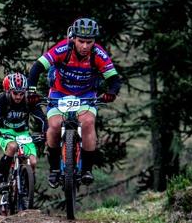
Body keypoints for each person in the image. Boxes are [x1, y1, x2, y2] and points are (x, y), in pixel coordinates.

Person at [28, 17, 122, 188]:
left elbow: (114, 79)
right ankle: (55, 169)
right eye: (81, 41)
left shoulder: (98, 54)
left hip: (86, 95)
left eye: (89, 42)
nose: (85, 46)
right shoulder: (63, 48)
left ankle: (86, 169)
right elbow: (37, 68)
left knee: (88, 122)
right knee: (54, 127)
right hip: (59, 94)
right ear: (73, 38)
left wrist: (111, 93)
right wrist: (32, 92)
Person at [0, 72, 47, 208]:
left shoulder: (29, 100)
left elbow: (41, 118)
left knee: (32, 161)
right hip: (5, 131)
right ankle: (3, 178)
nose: (19, 97)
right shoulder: (2, 100)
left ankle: (27, 188)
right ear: (8, 91)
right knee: (12, 147)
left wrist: (46, 131)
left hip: (23, 132)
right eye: (15, 93)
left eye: (22, 93)